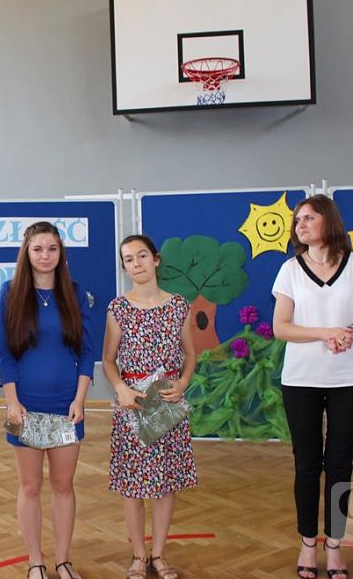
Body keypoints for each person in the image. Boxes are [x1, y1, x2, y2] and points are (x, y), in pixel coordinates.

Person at [271, 194, 353, 579]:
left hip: (350, 380)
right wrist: (326, 333)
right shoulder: (289, 269)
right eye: (297, 220)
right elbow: (280, 327)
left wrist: (351, 331)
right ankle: (307, 543)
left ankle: (334, 546)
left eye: (309, 218)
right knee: (306, 465)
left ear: (328, 221)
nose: (300, 225)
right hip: (300, 380)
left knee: (340, 464)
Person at [0, 221, 95, 579]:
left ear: (60, 253)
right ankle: (35, 561)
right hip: (25, 407)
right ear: (26, 252)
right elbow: (4, 353)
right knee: (30, 486)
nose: (45, 255)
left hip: (67, 407)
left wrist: (80, 400)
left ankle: (63, 560)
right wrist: (12, 402)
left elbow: (86, 353)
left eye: (52, 248)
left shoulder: (75, 292)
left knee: (63, 486)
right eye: (37, 249)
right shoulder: (9, 292)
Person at [102, 234, 198, 579]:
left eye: (142, 256)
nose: (136, 264)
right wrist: (121, 389)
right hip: (134, 405)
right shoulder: (118, 309)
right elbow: (108, 360)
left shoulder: (179, 306)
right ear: (124, 267)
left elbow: (190, 354)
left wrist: (182, 383)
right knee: (133, 484)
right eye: (129, 259)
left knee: (165, 482)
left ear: (155, 259)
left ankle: (159, 554)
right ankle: (138, 555)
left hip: (167, 404)